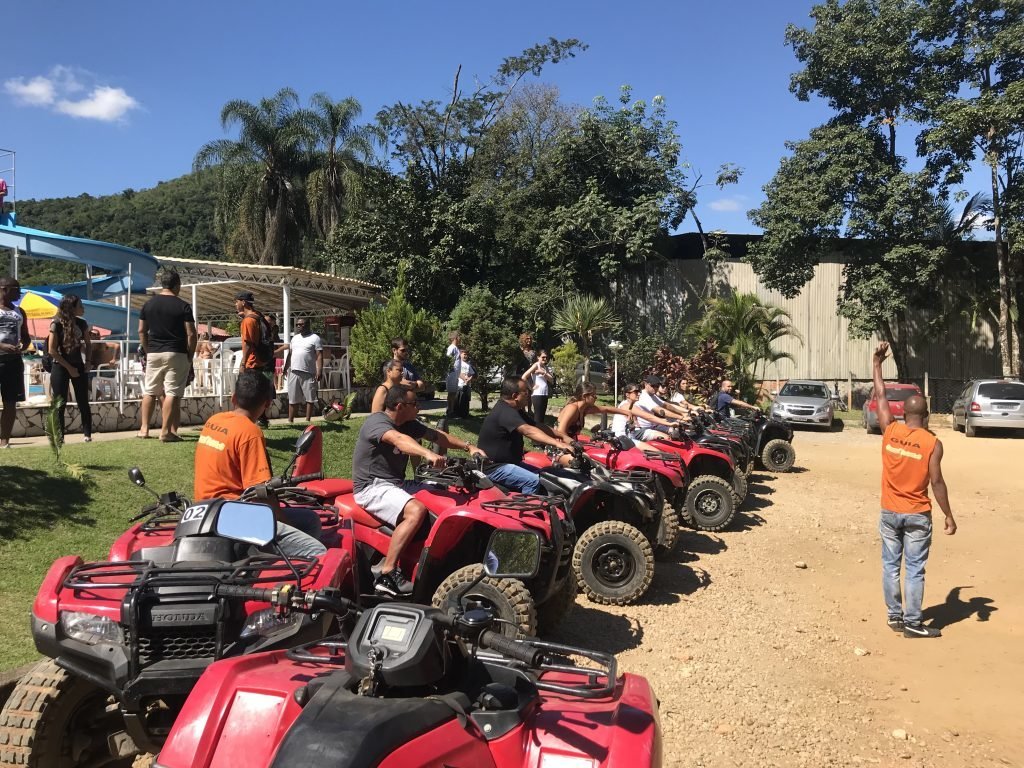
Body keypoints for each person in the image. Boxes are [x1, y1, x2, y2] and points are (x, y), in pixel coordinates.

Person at [352, 384, 485, 596]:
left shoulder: (408, 423)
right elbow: (398, 440)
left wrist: (469, 447)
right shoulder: (377, 422)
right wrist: (427, 454)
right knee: (416, 511)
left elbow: (437, 436)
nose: (419, 407)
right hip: (371, 486)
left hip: (396, 482)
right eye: (415, 403)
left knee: (446, 495)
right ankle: (388, 572)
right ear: (399, 405)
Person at [871, 342, 956, 638]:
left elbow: (880, 395)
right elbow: (937, 482)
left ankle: (895, 617)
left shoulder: (890, 431)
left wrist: (877, 364)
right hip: (917, 514)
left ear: (903, 413)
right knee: (915, 569)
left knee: (890, 565)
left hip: (889, 512)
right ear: (928, 415)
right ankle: (912, 623)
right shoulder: (933, 443)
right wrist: (948, 515)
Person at [194, 371, 326, 559]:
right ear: (266, 405)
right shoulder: (250, 433)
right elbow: (261, 494)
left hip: (205, 511)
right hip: (235, 518)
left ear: (233, 398)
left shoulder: (213, 422)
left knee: (310, 521)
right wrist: (283, 520)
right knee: (318, 551)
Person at [478, 376, 574, 493]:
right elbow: (528, 430)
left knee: (546, 476)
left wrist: (563, 437)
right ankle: (529, 510)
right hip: (495, 468)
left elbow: (536, 426)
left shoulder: (515, 410)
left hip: (510, 463)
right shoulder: (505, 412)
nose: (529, 395)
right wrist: (557, 444)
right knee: (532, 481)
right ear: (515, 396)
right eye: (526, 392)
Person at [138, 270, 197, 442]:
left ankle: (144, 429)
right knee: (172, 392)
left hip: (154, 352)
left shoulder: (148, 305)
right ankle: (166, 432)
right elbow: (192, 334)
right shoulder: (183, 306)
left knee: (150, 390)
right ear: (177, 284)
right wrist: (190, 354)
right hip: (176, 352)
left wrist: (148, 349)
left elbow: (142, 330)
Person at [47, 295, 93, 442]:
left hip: (78, 365)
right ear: (71, 308)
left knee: (83, 401)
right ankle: (59, 437)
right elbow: (52, 350)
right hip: (60, 365)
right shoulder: (56, 324)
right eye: (80, 305)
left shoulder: (82, 323)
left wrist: (88, 362)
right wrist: (69, 368)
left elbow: (88, 344)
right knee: (60, 402)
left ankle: (87, 434)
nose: (83, 308)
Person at [0, 276, 31, 448]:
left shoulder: (20, 311)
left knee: (10, 402)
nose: (19, 293)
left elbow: (25, 337)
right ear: (4, 289)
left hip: (13, 362)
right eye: (16, 289)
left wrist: (23, 345)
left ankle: (4, 441)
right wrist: (2, 346)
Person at [236, 292, 275, 427]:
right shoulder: (259, 316)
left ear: (244, 302)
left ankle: (249, 420)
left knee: (249, 392)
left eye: (237, 301)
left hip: (253, 361)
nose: (235, 304)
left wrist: (243, 363)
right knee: (260, 391)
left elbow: (247, 344)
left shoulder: (248, 320)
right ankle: (262, 419)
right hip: (264, 360)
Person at [283, 318, 323, 423]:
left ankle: (307, 420)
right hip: (294, 371)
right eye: (297, 325)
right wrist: (285, 368)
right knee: (292, 399)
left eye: (302, 324)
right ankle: (290, 421)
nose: (299, 326)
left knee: (310, 399)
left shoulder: (315, 338)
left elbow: (319, 355)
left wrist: (319, 371)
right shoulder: (295, 338)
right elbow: (290, 354)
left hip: (309, 373)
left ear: (308, 324)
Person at [611, 383, 681, 441]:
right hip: (622, 437)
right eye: (636, 392)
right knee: (665, 440)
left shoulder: (634, 405)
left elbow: (640, 422)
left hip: (634, 433)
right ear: (627, 395)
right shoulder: (626, 406)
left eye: (639, 392)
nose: (639, 394)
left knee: (666, 438)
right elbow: (648, 417)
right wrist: (669, 423)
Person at [522, 349, 554, 425]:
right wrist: (530, 387)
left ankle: (541, 432)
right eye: (543, 357)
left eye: (546, 357)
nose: (545, 359)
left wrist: (543, 372)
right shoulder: (536, 365)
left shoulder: (545, 367)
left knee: (542, 417)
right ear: (538, 357)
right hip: (537, 394)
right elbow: (524, 376)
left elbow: (551, 380)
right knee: (538, 417)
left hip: (544, 394)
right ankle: (536, 433)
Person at [444, 331, 462, 418]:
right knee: (451, 393)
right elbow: (448, 359)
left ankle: (451, 410)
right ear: (455, 338)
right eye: (459, 337)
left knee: (453, 393)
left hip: (455, 374)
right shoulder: (452, 348)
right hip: (452, 373)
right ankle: (449, 411)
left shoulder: (456, 348)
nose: (460, 339)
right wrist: (450, 370)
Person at [454, 348, 476, 418]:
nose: (465, 356)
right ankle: (458, 414)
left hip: (467, 385)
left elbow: (472, 373)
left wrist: (470, 379)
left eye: (467, 355)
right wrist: (464, 379)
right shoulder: (458, 363)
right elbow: (457, 372)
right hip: (459, 384)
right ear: (460, 355)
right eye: (464, 354)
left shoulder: (468, 364)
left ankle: (465, 414)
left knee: (466, 400)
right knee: (459, 400)